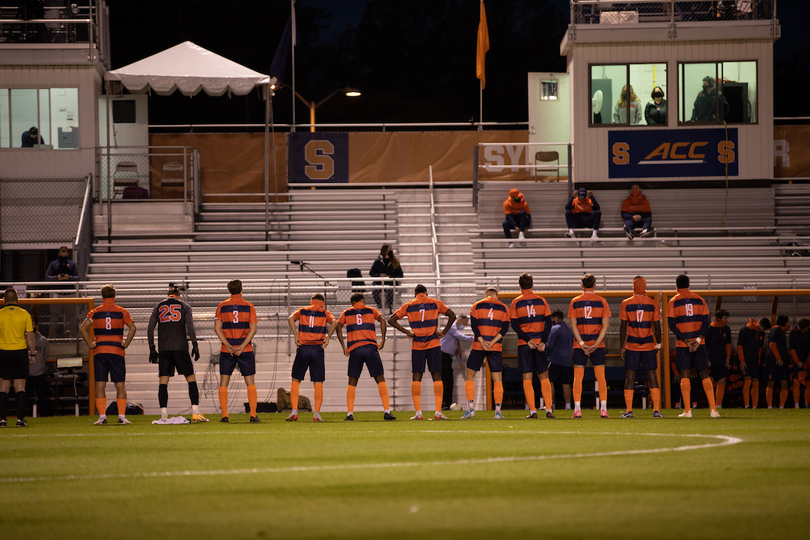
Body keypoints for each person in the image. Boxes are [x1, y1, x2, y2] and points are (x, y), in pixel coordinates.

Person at [389, 285, 456, 420]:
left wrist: (407, 332)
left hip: (417, 344)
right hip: (433, 343)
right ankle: (438, 412)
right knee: (436, 375)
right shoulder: (435, 303)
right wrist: (443, 332)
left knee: (417, 376)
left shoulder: (409, 305)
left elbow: (391, 319)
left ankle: (418, 413)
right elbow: (452, 316)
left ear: (415, 293)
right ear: (426, 293)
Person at [79, 284, 137, 426]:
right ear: (114, 296)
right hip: (117, 351)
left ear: (102, 296)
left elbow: (82, 328)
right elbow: (133, 328)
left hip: (100, 351)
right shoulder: (122, 311)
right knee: (120, 385)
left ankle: (102, 417)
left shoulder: (94, 312)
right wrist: (126, 344)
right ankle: (122, 417)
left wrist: (91, 344)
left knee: (100, 384)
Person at [147, 285, 206, 423]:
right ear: (178, 296)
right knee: (191, 379)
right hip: (180, 347)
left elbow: (150, 329)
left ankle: (164, 415)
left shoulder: (158, 307)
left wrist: (151, 347)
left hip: (164, 349)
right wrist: (195, 344)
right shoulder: (185, 306)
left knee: (163, 381)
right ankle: (196, 412)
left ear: (168, 295)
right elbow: (190, 326)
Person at [336, 292, 395, 421]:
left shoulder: (346, 313)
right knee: (380, 378)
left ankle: (350, 413)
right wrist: (383, 339)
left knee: (352, 381)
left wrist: (343, 347)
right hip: (370, 348)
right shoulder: (371, 310)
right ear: (363, 300)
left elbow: (338, 327)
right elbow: (383, 320)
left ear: (352, 303)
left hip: (355, 349)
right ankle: (387, 411)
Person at [667, 274, 719, 418]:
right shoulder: (699, 299)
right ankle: (713, 410)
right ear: (689, 285)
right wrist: (698, 339)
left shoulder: (673, 301)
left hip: (683, 344)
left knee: (684, 374)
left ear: (676, 286)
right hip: (699, 344)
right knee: (704, 374)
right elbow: (706, 321)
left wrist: (686, 341)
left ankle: (687, 411)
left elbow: (671, 324)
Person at [286, 293, 337, 422]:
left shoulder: (303, 311)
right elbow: (335, 322)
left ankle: (294, 412)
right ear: (322, 302)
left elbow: (290, 318)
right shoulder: (325, 312)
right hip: (317, 349)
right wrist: (328, 338)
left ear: (311, 301)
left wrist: (296, 335)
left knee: (296, 380)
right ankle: (316, 415)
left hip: (303, 348)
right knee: (318, 382)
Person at [510, 273, 554, 419]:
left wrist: (527, 339)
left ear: (519, 286)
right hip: (540, 344)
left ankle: (533, 411)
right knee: (544, 376)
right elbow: (549, 323)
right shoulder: (541, 301)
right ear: (532, 284)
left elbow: (515, 325)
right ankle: (548, 410)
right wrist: (543, 341)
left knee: (527, 377)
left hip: (524, 345)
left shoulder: (516, 302)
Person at [213, 279, 259, 423]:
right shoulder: (249, 306)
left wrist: (228, 345)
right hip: (245, 349)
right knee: (250, 381)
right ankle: (252, 415)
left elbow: (217, 328)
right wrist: (242, 346)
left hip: (227, 349)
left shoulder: (222, 306)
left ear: (228, 290)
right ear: (242, 289)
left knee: (224, 381)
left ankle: (225, 416)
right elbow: (253, 329)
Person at [462, 286, 510, 419]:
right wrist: (492, 342)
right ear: (496, 296)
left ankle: (470, 409)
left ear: (485, 295)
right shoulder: (504, 308)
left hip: (479, 345)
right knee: (497, 379)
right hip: (495, 347)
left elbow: (474, 326)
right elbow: (505, 329)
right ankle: (498, 412)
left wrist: (483, 342)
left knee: (470, 375)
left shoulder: (476, 306)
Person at [618, 276, 663, 419]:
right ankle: (656, 410)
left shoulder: (626, 303)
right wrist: (659, 343)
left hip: (632, 345)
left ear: (633, 286)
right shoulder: (652, 303)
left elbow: (623, 326)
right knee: (652, 376)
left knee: (630, 377)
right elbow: (657, 326)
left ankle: (629, 411)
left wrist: (621, 346)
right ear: (644, 286)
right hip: (649, 345)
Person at [568, 273, 611, 418]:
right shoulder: (602, 301)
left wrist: (581, 343)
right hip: (597, 345)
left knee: (577, 378)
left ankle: (577, 409)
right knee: (601, 378)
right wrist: (596, 344)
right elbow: (605, 325)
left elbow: (573, 325)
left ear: (582, 285)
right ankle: (603, 408)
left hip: (579, 345)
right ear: (594, 285)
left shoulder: (575, 301)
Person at [0, 288, 36, 427]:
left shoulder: (0, 314)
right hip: (20, 351)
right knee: (20, 387)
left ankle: (2, 419)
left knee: (3, 387)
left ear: (4, 300)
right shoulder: (25, 314)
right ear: (17, 300)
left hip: (2, 351)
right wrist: (32, 353)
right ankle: (20, 419)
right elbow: (30, 336)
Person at [439, 314, 473, 410]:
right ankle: (444, 404)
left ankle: (447, 404)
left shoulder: (455, 330)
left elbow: (455, 348)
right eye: (464, 324)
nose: (464, 326)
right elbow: (462, 338)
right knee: (445, 380)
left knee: (450, 381)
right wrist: (476, 338)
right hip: (442, 356)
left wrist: (460, 361)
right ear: (459, 320)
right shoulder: (452, 327)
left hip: (448, 357)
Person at [45, 246, 80, 338]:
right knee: (54, 317)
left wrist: (69, 278)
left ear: (68, 254)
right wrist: (57, 278)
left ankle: (74, 337)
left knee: (72, 317)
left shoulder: (72, 264)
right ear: (58, 253)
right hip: (57, 293)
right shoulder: (53, 264)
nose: (63, 254)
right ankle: (51, 338)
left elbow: (78, 278)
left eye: (65, 252)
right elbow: (47, 278)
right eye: (62, 252)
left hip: (70, 294)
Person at [737, 317, 770, 409]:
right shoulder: (745, 330)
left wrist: (758, 360)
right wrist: (742, 361)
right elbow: (739, 346)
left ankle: (755, 406)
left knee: (756, 383)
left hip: (754, 361)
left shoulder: (761, 333)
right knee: (747, 381)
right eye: (763, 328)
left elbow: (759, 348)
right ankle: (747, 405)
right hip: (746, 360)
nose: (763, 330)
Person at [545, 310, 574, 411]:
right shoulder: (570, 329)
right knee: (566, 383)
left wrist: (546, 353)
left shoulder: (555, 329)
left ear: (556, 318)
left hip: (556, 359)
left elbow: (550, 345)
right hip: (567, 361)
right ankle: (568, 406)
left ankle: (551, 405)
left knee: (549, 381)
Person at [705, 309, 732, 409]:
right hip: (711, 360)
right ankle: (711, 404)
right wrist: (706, 359)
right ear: (718, 319)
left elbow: (728, 345)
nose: (726, 321)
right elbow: (705, 345)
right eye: (725, 319)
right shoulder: (709, 329)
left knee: (722, 381)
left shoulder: (727, 329)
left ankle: (718, 404)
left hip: (721, 359)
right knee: (710, 380)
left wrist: (727, 358)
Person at [765, 315, 791, 409]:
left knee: (784, 382)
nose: (790, 323)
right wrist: (778, 358)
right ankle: (769, 406)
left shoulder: (781, 332)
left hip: (782, 360)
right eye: (788, 321)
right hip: (774, 360)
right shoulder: (775, 330)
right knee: (771, 381)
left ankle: (781, 406)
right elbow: (772, 345)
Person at [26, 319, 50, 418]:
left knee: (42, 397)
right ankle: (26, 415)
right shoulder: (23, 339)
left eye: (33, 325)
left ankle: (44, 415)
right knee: (26, 397)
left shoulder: (43, 340)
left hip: (39, 374)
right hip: (27, 374)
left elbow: (46, 355)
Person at [369, 244, 403, 313]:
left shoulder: (395, 262)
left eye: (390, 250)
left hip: (390, 283)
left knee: (390, 291)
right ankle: (380, 305)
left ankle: (390, 307)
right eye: (388, 250)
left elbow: (400, 275)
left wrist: (390, 277)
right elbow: (371, 273)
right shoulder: (378, 261)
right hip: (379, 282)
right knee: (375, 290)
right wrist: (379, 275)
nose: (389, 251)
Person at [788, 318, 810, 409]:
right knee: (796, 383)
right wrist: (797, 362)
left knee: (808, 383)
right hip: (798, 362)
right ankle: (796, 405)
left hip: (808, 361)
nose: (803, 331)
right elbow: (792, 349)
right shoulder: (793, 333)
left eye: (804, 330)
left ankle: (806, 404)